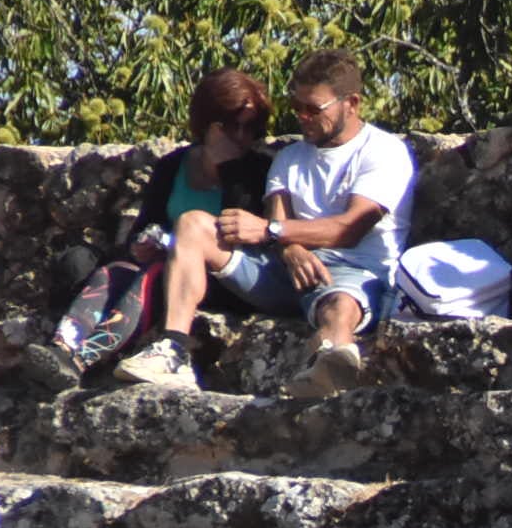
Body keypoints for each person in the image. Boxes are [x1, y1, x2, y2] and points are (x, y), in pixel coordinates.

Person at [119, 51, 416, 398]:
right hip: (286, 270)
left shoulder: (383, 152)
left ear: (351, 103)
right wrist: (288, 247)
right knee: (193, 225)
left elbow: (348, 228)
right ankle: (173, 351)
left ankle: (330, 363)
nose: (303, 118)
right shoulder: (291, 157)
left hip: (354, 272)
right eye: (297, 108)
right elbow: (279, 218)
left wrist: (273, 233)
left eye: (313, 109)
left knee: (339, 306)